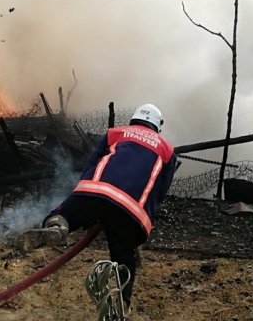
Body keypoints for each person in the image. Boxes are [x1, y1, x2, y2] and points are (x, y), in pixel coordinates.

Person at [21, 103, 177, 309]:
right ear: (157, 126)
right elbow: (161, 190)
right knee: (123, 253)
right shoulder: (167, 150)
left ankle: (57, 225)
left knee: (69, 212)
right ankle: (123, 300)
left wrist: (82, 195)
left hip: (97, 190)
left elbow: (92, 163)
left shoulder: (116, 133)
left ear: (134, 119)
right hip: (131, 208)